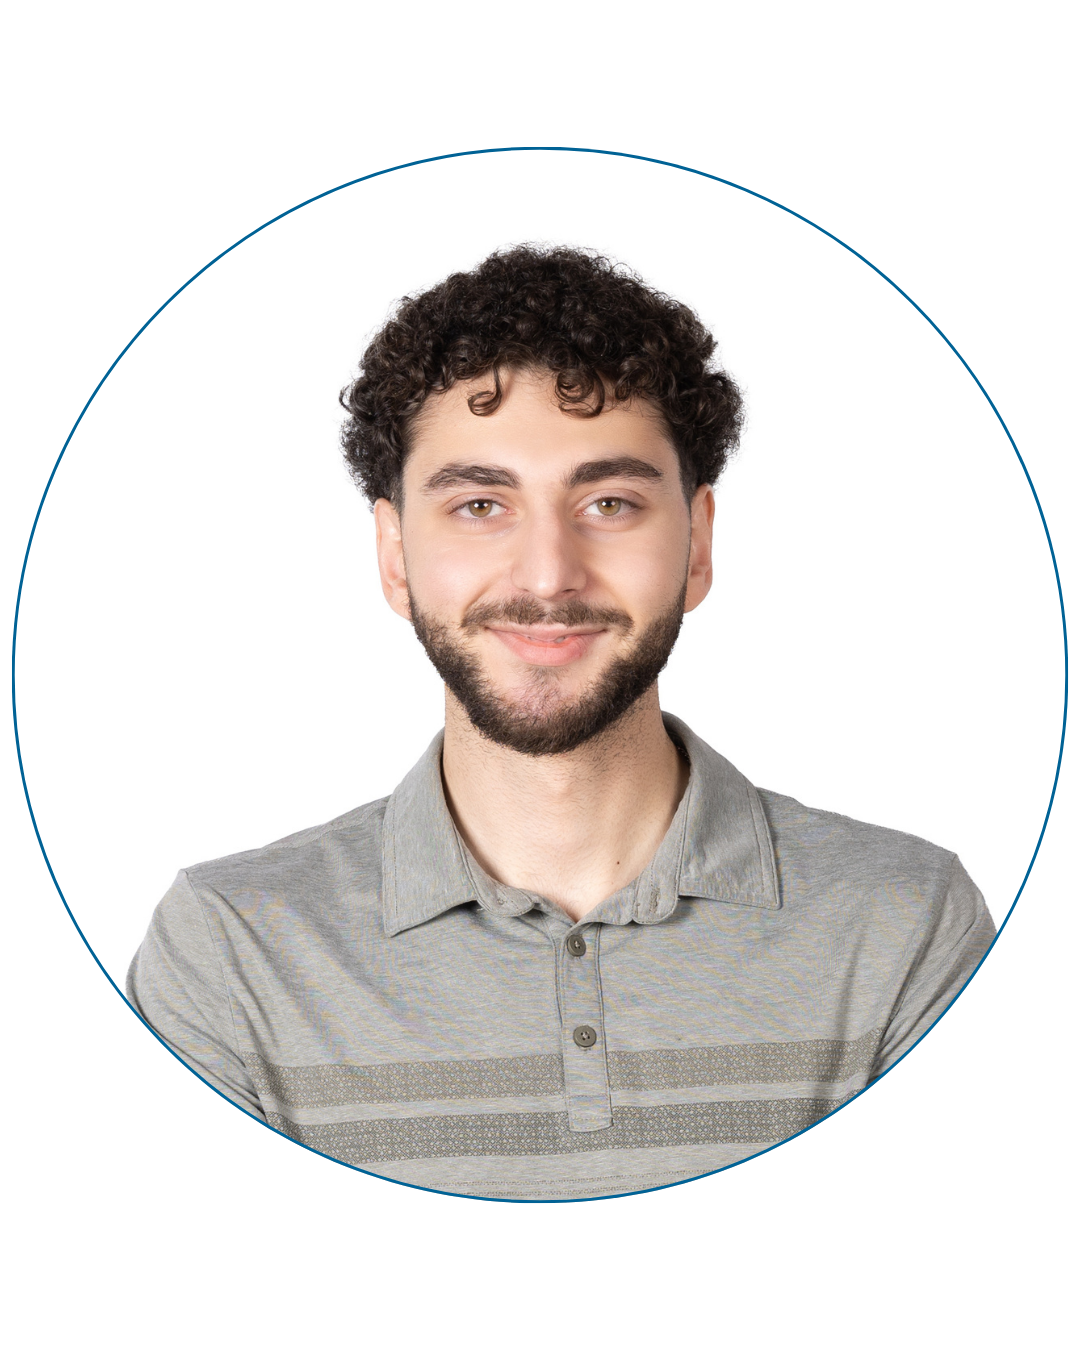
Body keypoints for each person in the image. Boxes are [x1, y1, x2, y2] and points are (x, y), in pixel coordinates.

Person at [127, 244, 996, 1201]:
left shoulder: (903, 926)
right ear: (396, 557)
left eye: (610, 502)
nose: (548, 573)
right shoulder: (230, 953)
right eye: (480, 504)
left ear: (698, 544)